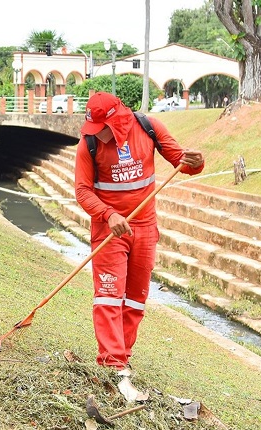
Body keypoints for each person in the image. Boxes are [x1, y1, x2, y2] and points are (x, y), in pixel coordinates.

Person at [74, 91, 205, 402]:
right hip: (109, 230)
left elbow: (181, 163)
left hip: (144, 227)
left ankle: (123, 358)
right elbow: (82, 191)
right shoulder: (88, 145)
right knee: (108, 296)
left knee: (134, 299)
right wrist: (108, 214)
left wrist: (196, 163)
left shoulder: (148, 127)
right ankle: (113, 365)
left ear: (117, 120)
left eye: (102, 128)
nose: (97, 135)